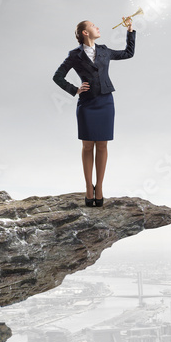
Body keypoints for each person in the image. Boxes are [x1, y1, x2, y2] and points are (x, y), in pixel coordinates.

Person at [52, 16, 135, 206]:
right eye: (93, 26)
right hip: (87, 104)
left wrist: (130, 31)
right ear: (85, 32)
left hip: (106, 101)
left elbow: (129, 53)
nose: (98, 27)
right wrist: (75, 89)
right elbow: (57, 76)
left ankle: (100, 186)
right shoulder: (74, 55)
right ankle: (89, 187)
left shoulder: (105, 51)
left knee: (103, 146)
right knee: (88, 146)